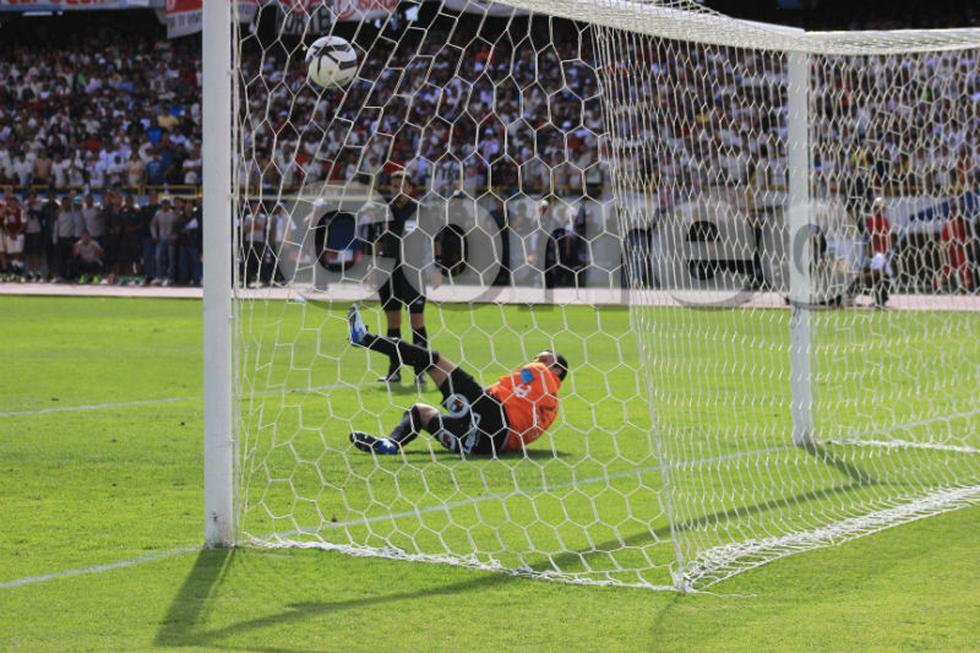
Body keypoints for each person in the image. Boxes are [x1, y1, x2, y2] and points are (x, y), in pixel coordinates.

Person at [346, 305, 567, 457]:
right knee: (421, 412)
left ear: (557, 369)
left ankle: (365, 338)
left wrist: (468, 396)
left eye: (544, 358)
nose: (537, 360)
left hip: (494, 417)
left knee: (432, 360)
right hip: (484, 445)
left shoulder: (540, 372)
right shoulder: (554, 407)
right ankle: (390, 444)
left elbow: (498, 391)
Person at [375, 170, 430, 385]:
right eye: (393, 185)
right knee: (393, 323)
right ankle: (394, 371)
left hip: (414, 271)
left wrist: (435, 268)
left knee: (416, 321)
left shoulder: (421, 210)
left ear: (410, 188)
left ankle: (420, 372)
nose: (396, 189)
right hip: (388, 270)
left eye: (401, 185)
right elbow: (378, 240)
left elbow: (433, 241)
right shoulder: (384, 210)